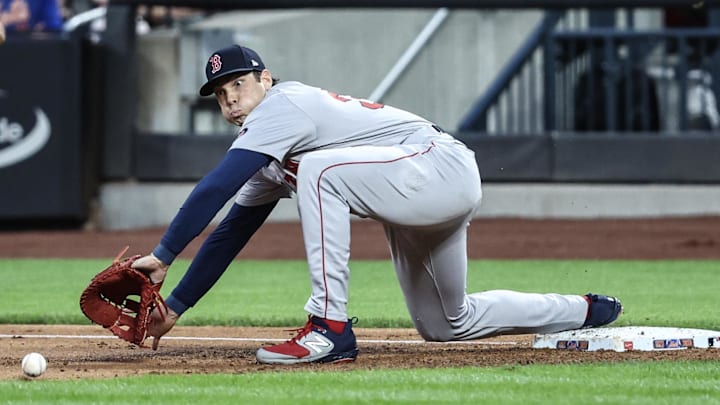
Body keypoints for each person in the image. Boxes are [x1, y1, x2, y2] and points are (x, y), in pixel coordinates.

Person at [131, 44, 623, 364]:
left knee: (317, 172)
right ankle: (582, 309)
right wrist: (175, 306)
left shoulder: (282, 106)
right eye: (220, 94)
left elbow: (215, 187)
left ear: (267, 79)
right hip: (416, 191)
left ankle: (329, 328)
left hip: (436, 166)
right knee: (448, 324)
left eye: (239, 83)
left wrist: (163, 254)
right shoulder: (267, 147)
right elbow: (231, 229)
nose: (230, 99)